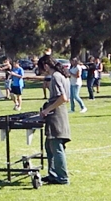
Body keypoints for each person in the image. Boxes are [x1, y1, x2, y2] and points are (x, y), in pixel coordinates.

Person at [38, 55, 71, 185]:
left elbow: (63, 98)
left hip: (56, 116)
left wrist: (47, 110)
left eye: (42, 68)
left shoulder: (56, 76)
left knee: (56, 147)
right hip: (57, 113)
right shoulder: (61, 76)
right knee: (49, 146)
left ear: (46, 66)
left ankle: (62, 177)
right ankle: (53, 174)